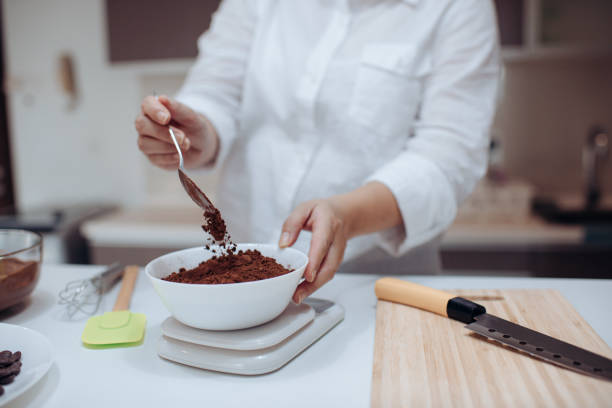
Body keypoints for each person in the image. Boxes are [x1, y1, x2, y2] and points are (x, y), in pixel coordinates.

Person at [135, 0, 500, 304]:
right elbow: (215, 93)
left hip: (372, 289)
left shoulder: (457, 8)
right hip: (239, 281)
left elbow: (447, 156)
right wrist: (197, 133)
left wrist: (347, 215)